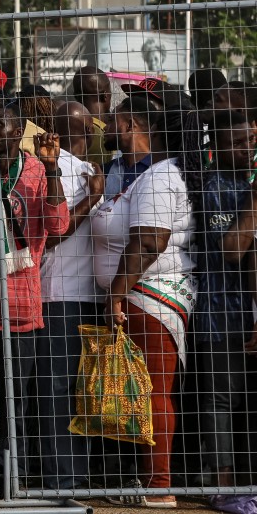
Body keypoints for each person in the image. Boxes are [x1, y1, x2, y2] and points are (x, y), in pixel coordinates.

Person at [91, 95, 197, 508]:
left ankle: (158, 485)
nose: (108, 128)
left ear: (132, 124)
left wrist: (117, 291)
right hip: (149, 296)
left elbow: (150, 240)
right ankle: (152, 481)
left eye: (114, 121)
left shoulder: (157, 177)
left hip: (150, 297)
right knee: (148, 391)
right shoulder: (159, 173)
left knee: (154, 392)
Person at [0, 102, 68, 491]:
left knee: (14, 401)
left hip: (21, 305)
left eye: (1, 126)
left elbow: (56, 225)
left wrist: (53, 168)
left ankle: (11, 479)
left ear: (16, 130)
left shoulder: (38, 171)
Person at [34, 100, 103, 491]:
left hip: (86, 295)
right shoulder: (54, 167)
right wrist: (91, 198)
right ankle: (64, 477)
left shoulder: (91, 169)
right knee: (59, 388)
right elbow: (57, 230)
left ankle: (75, 474)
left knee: (79, 389)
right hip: (57, 294)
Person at [189, 108, 255, 492]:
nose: (248, 149)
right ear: (218, 148)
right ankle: (224, 484)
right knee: (220, 400)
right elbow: (231, 250)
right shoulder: (216, 189)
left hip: (249, 311)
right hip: (219, 313)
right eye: (239, 143)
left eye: (251, 140)